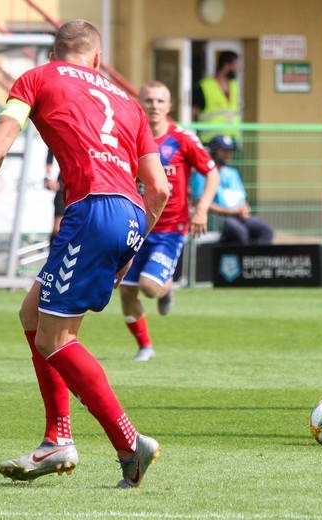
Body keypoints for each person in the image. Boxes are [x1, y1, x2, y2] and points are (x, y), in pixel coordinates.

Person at [0, 20, 170, 488]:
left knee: (55, 339)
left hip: (91, 209)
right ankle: (57, 436)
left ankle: (129, 443)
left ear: (55, 52)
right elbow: (159, 188)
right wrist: (132, 244)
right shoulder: (128, 100)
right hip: (129, 216)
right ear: (97, 59)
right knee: (32, 315)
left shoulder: (38, 78)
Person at [120, 81, 219, 362]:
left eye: (160, 101)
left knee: (149, 287)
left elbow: (212, 174)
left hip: (169, 229)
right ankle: (145, 346)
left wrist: (201, 209)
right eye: (149, 101)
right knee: (126, 291)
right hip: (135, 225)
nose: (154, 106)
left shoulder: (182, 138)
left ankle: (166, 288)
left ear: (169, 106)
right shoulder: (128, 137)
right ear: (139, 103)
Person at [190, 134, 274, 246]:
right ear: (214, 151)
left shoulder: (233, 173)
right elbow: (198, 202)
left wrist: (244, 208)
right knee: (240, 233)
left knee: (266, 231)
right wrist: (231, 212)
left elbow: (242, 198)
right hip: (219, 219)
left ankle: (252, 261)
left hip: (239, 216)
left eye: (229, 151)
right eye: (223, 151)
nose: (227, 154)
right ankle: (240, 261)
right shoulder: (200, 175)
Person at [192, 50, 241, 145]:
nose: (238, 69)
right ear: (227, 65)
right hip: (210, 140)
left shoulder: (234, 85)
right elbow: (193, 112)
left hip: (232, 139)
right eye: (236, 65)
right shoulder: (205, 86)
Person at [43, 148, 64, 240]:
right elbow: (51, 151)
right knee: (58, 229)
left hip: (85, 187)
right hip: (64, 186)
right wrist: (48, 177)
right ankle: (54, 253)